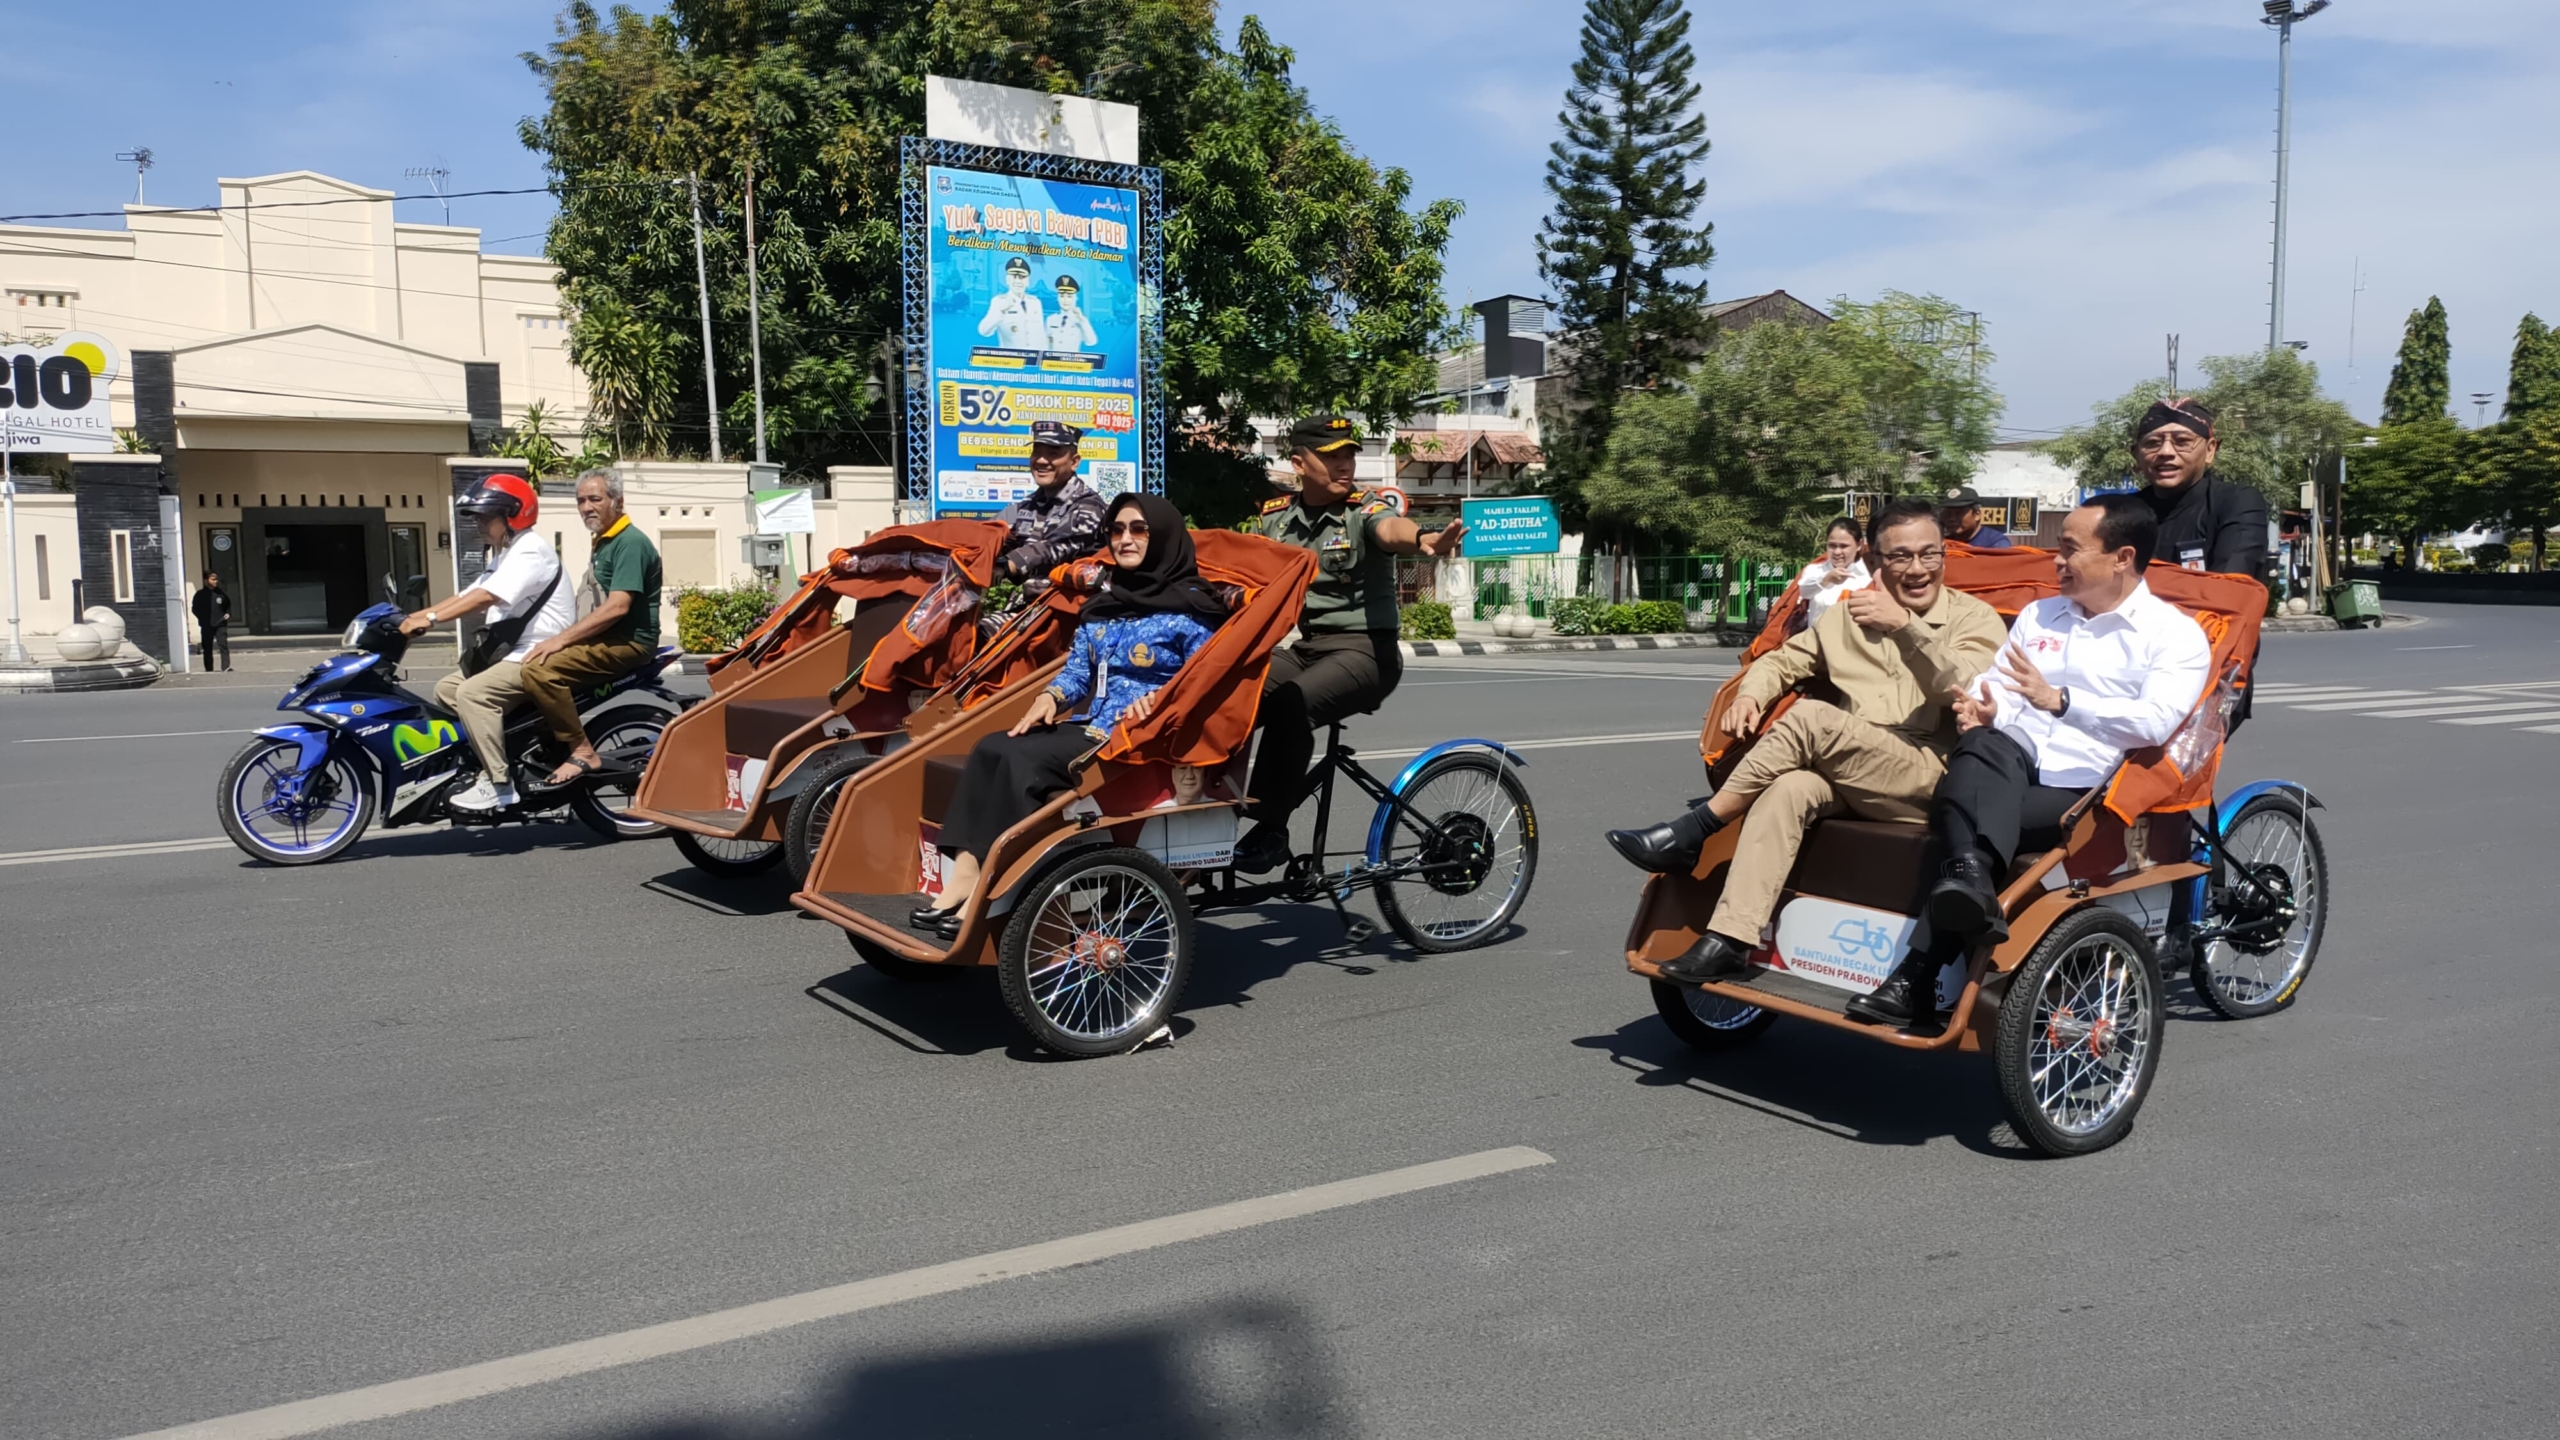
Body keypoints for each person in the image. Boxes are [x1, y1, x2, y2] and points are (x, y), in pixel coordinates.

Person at [1847, 492, 2213, 1028]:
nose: (2056, 561)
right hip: (2012, 760)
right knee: (1979, 749)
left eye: (2069, 549)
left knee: (1965, 816)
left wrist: (2062, 701)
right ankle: (1969, 890)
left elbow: (2155, 722)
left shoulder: (2174, 635)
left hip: (2090, 785)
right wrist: (1986, 705)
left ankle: (1918, 971)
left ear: (2122, 558)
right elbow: (2000, 686)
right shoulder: (2042, 615)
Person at [1606, 499, 2007, 986]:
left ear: (1945, 555)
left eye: (1930, 555)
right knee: (1789, 788)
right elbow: (1780, 661)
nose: (1918, 569)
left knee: (1814, 717)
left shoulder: (1975, 619)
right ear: (1875, 562)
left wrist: (1905, 628)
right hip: (1852, 767)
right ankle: (1730, 939)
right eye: (1901, 557)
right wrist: (1751, 695)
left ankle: (1696, 829)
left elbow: (1964, 686)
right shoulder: (1845, 618)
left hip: (1927, 774)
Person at [913, 492, 1227, 935]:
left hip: (1139, 738)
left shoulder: (1192, 612)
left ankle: (994, 886)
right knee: (991, 747)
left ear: (1163, 538)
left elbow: (1203, 684)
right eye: (1117, 530)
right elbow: (1078, 672)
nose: (1125, 539)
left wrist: (1161, 701)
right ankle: (964, 872)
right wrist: (1051, 698)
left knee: (1023, 763)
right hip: (1091, 727)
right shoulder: (1105, 605)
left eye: (1139, 530)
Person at [1233, 415, 1466, 875]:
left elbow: (1389, 530)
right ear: (1299, 463)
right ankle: (1208, 814)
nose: (1346, 464)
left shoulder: (1363, 509)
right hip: (1308, 648)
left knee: (1289, 706)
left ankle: (1270, 827)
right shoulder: (1276, 518)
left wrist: (1421, 538)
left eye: (1350, 454)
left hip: (1366, 653)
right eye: (1332, 456)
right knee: (1230, 694)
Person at [400, 475, 575, 813]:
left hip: (537, 655)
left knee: (472, 694)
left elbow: (486, 597)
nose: (479, 523)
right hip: (514, 654)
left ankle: (498, 783)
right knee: (447, 689)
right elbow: (467, 594)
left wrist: (431, 620)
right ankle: (508, 750)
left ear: (511, 515)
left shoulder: (530, 551)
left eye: (485, 516)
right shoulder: (505, 554)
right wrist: (412, 617)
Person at [523, 468, 664, 790]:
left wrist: (561, 640)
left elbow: (617, 606)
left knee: (539, 671)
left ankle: (582, 751)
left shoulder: (630, 543)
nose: (586, 507)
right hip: (607, 637)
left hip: (628, 642)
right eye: (581, 500)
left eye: (595, 499)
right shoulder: (604, 540)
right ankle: (550, 749)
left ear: (618, 501)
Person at [2131, 396, 2269, 579]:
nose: (2166, 452)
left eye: (2182, 441)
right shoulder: (2119, 515)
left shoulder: (2236, 502)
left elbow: (2230, 584)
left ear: (2210, 450)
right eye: (2152, 443)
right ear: (2136, 455)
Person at [996, 420, 1111, 582]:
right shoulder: (1029, 504)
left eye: (1053, 454)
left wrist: (1006, 565)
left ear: (1074, 462)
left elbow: (1056, 547)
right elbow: (997, 534)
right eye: (1036, 452)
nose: (1041, 461)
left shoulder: (1089, 506)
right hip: (1033, 603)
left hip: (1071, 602)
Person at [1794, 518, 1870, 627]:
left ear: (1859, 545)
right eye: (1832, 546)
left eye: (1844, 546)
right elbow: (1804, 592)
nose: (1837, 552)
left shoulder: (1869, 575)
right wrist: (1825, 579)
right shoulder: (1815, 570)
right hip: (1817, 641)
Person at [977, 255, 1047, 351]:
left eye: (1022, 277)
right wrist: (1001, 312)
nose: (1018, 281)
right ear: (1007, 280)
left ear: (1028, 282)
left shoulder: (1035, 303)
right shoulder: (999, 302)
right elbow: (984, 331)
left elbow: (1040, 336)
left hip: (1033, 360)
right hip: (1011, 361)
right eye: (1014, 277)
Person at [1936, 486, 2013, 549]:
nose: (1952, 518)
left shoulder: (1996, 543)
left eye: (1959, 512)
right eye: (1948, 513)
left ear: (1977, 514)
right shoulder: (1942, 543)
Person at [190, 570, 232, 672]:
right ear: (206, 580)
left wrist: (228, 613)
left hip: (220, 624)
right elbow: (195, 609)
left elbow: (227, 605)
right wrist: (202, 618)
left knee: (223, 645)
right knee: (207, 647)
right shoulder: (200, 594)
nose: (215, 581)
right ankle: (209, 668)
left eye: (216, 579)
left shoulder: (220, 593)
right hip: (206, 624)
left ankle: (226, 667)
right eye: (213, 579)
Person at [1045, 274, 1098, 354]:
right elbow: (1045, 344)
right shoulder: (1051, 319)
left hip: (1072, 364)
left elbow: (1091, 342)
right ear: (1057, 298)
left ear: (1076, 298)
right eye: (1062, 296)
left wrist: (1083, 321)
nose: (1065, 300)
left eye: (1069, 296)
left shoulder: (1080, 320)